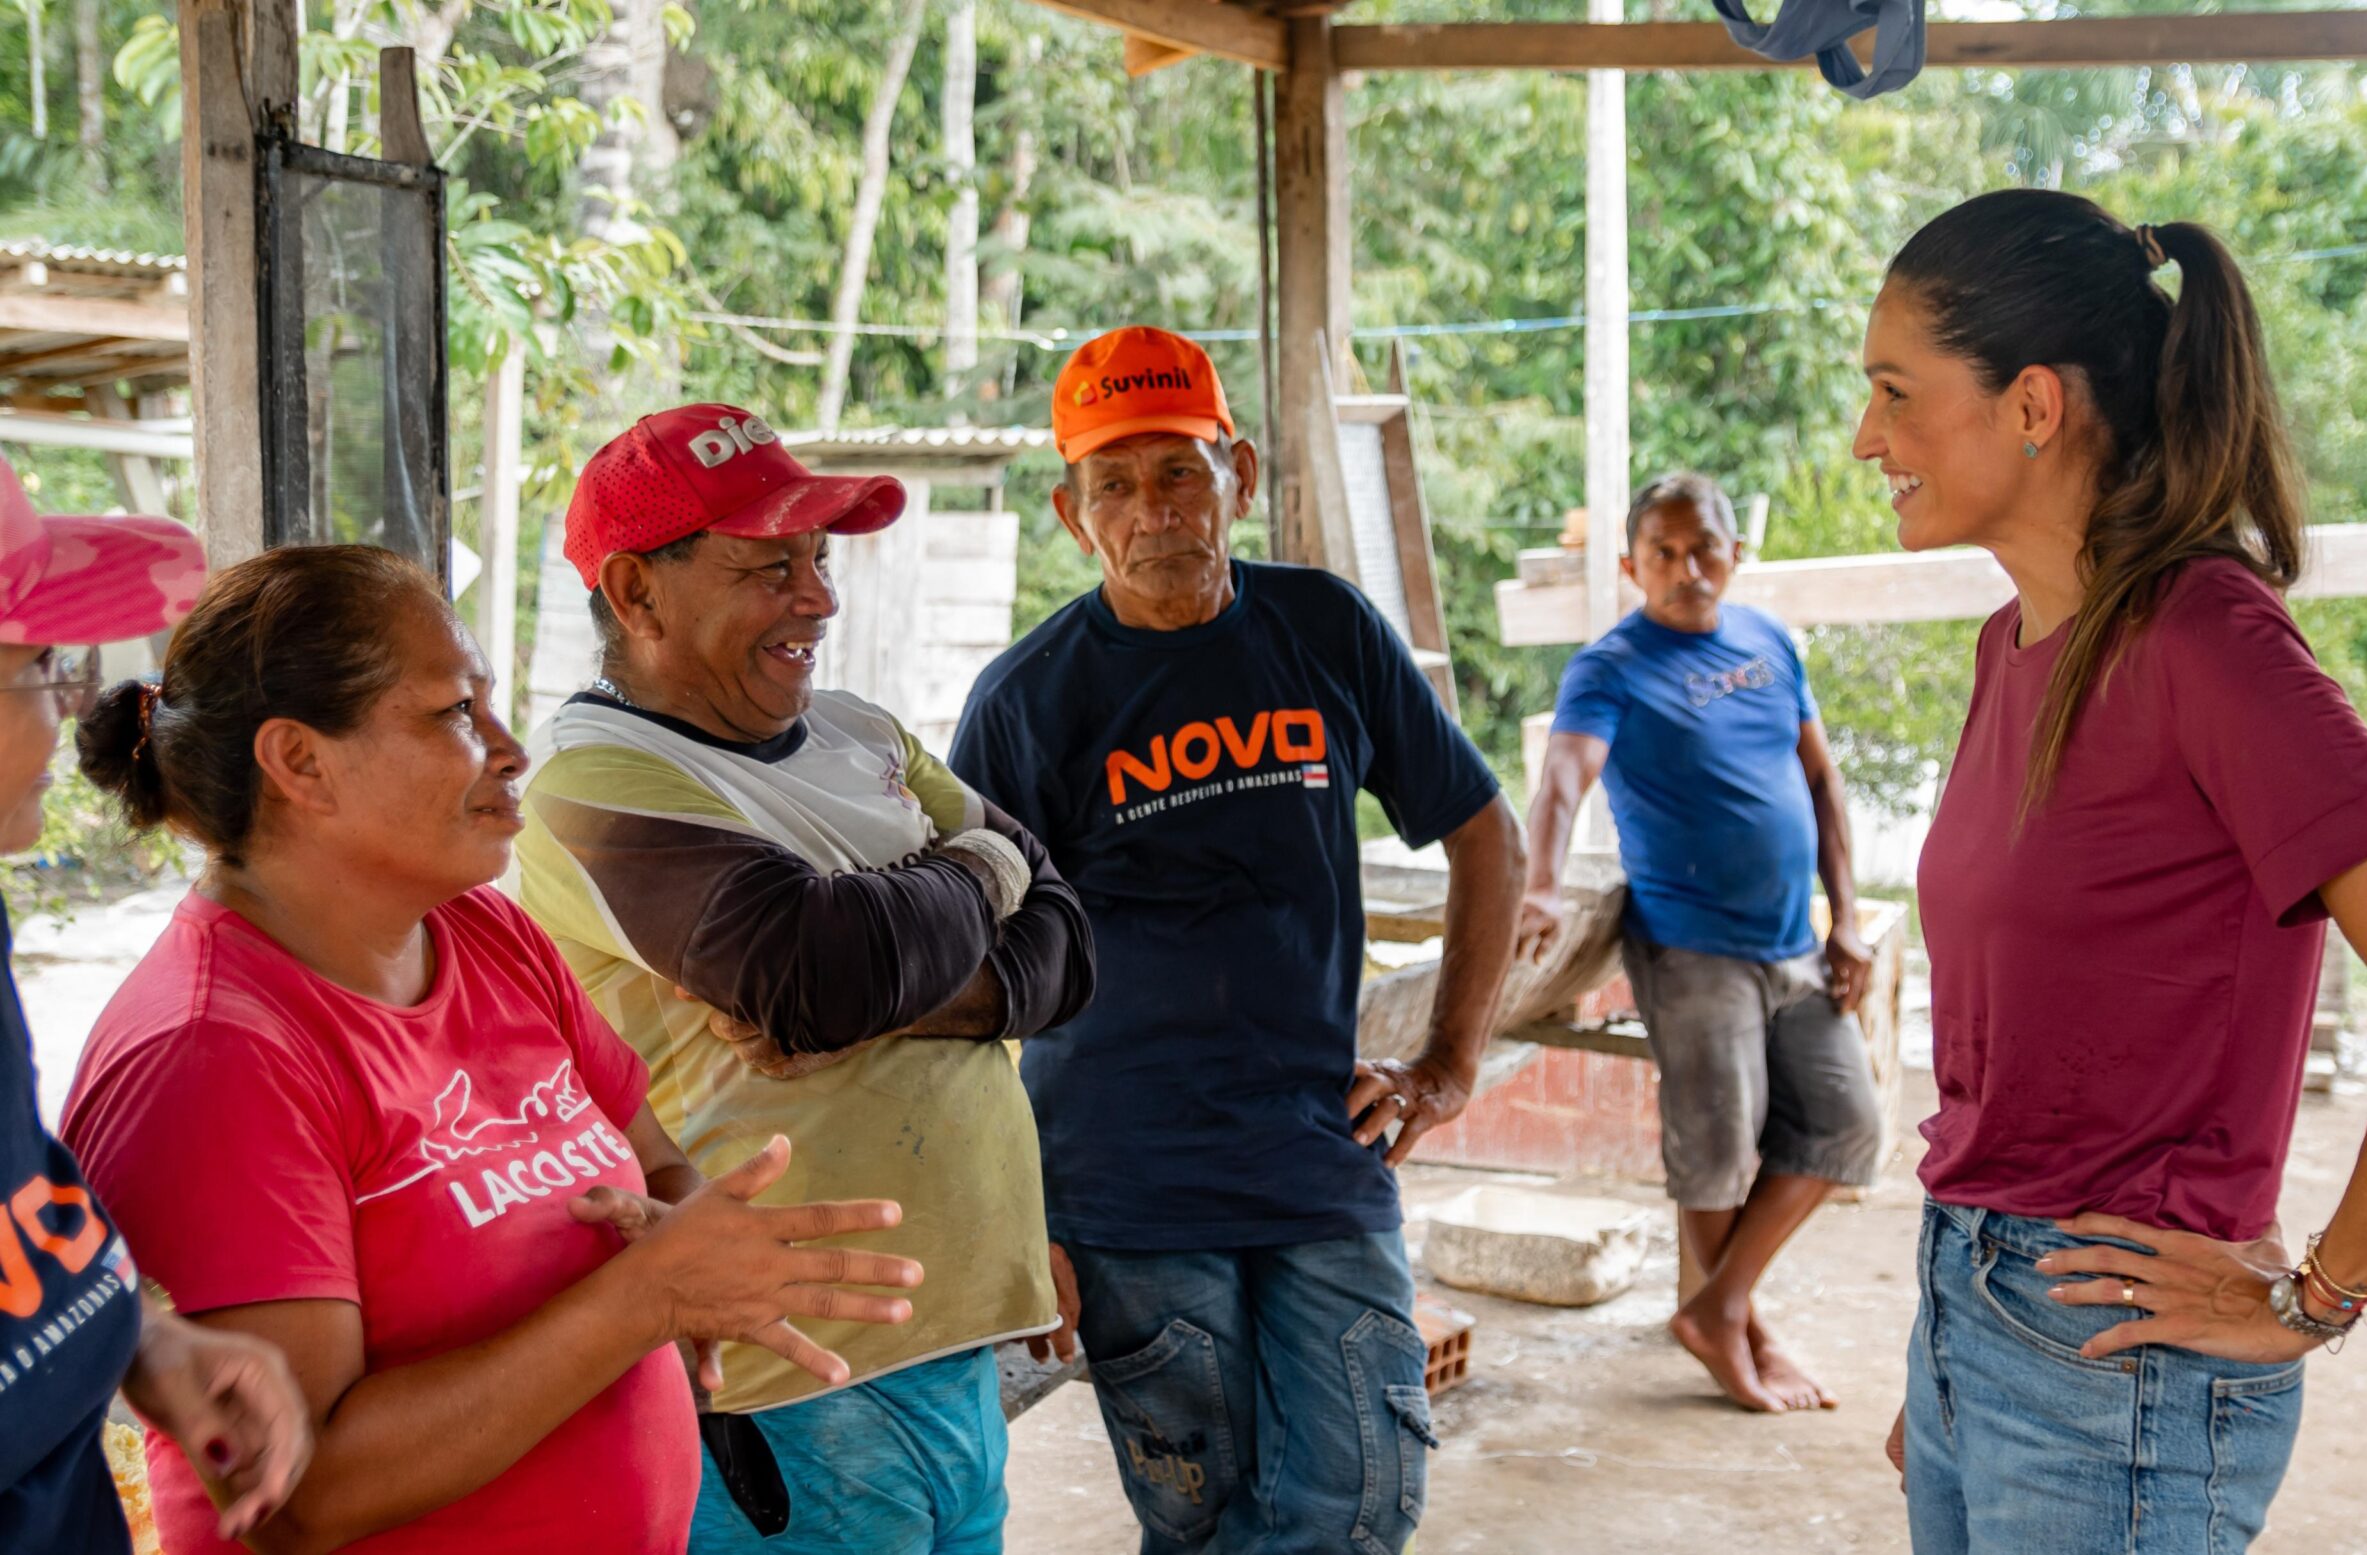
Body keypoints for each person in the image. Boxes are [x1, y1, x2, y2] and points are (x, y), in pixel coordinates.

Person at [1855, 189, 2367, 1551]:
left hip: (2113, 1364)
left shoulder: (2206, 636)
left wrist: (2315, 1296)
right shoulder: (2021, 645)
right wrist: (1951, 1354)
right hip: (1984, 1308)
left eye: (1894, 390)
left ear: (2034, 405)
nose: (1867, 437)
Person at [62, 544, 923, 1555]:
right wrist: (645, 1298)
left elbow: (652, 1159)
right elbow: (301, 1495)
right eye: (456, 714)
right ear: (300, 763)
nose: (511, 750)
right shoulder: (211, 1056)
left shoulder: (484, 933)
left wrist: (694, 1233)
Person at [950, 326, 1525, 1555]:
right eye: (1115, 483)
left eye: (1179, 471)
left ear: (1240, 476)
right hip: (1119, 1186)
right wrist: (1016, 1215)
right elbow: (966, 984)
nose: (1152, 509)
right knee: (1202, 1524)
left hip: (1317, 1156)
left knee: (1364, 1506)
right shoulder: (1026, 700)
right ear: (1071, 511)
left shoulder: (1323, 629)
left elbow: (1484, 831)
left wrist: (1446, 1066)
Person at [510, 403, 1095, 1555]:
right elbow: (820, 970)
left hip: (950, 1340)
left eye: (817, 560)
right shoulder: (595, 783)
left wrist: (905, 984)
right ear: (636, 595)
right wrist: (981, 862)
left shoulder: (858, 730)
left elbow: (1070, 937)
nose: (818, 598)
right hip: (795, 1370)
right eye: (768, 567)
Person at [1516, 470, 1881, 1414]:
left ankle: (1718, 1309)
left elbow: (1824, 786)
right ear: (1633, 563)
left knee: (1846, 1123)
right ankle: (1736, 1327)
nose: (1687, 569)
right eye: (1664, 554)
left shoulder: (1769, 642)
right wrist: (1543, 886)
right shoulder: (1611, 665)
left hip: (1796, 943)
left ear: (1736, 551)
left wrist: (1849, 920)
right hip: (1691, 949)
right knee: (1717, 1151)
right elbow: (1563, 779)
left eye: (1704, 548)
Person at [0, 455, 311, 1553]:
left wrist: (141, 1335)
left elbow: (18, 1204)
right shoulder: (202, 1033)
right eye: (38, 667)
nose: (64, 709)